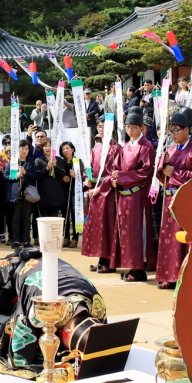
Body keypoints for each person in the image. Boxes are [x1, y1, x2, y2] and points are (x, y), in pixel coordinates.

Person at [0, 248, 106, 381]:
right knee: (0, 321)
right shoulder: (41, 309)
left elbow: (98, 336)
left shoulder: (98, 307)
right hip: (8, 273)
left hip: (55, 271)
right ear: (66, 331)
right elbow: (21, 354)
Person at [154, 111, 192, 288]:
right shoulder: (170, 150)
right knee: (168, 238)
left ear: (187, 130)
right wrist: (162, 164)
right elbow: (161, 174)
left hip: (185, 199)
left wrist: (174, 173)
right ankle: (168, 275)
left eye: (176, 130)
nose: (173, 134)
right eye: (171, 131)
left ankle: (183, 276)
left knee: (183, 239)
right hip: (169, 197)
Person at [110, 108, 155, 282]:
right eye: (128, 126)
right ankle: (131, 266)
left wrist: (121, 177)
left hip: (138, 194)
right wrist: (115, 179)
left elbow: (145, 172)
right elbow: (117, 167)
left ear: (141, 128)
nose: (130, 130)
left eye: (134, 127)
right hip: (125, 195)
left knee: (137, 231)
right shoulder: (126, 146)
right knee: (126, 232)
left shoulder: (146, 146)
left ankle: (138, 268)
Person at [84, 117, 121, 273]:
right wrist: (87, 179)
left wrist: (99, 189)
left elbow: (114, 174)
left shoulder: (116, 149)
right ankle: (101, 259)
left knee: (108, 227)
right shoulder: (96, 149)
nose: (100, 129)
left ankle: (109, 261)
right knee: (98, 227)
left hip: (108, 193)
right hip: (96, 193)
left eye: (104, 126)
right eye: (99, 126)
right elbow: (90, 168)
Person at [5, 139, 37, 250]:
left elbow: (35, 177)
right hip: (15, 194)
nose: (24, 151)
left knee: (26, 218)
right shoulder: (13, 162)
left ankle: (26, 241)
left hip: (27, 194)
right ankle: (16, 240)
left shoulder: (30, 162)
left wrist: (25, 173)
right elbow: (5, 176)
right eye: (22, 148)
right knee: (16, 218)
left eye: (26, 149)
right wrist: (16, 176)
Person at [60, 141, 85, 248]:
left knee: (75, 214)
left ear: (73, 149)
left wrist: (76, 175)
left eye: (67, 148)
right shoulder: (61, 162)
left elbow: (84, 176)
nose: (65, 151)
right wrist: (62, 177)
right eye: (63, 149)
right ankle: (65, 237)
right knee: (64, 213)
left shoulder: (78, 161)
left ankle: (75, 237)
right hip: (63, 191)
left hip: (76, 192)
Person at [35, 141, 67, 223]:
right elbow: (37, 175)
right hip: (43, 196)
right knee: (43, 220)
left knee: (54, 219)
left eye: (50, 146)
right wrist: (47, 168)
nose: (48, 148)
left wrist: (55, 166)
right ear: (42, 148)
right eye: (45, 146)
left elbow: (63, 173)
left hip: (56, 195)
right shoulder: (38, 160)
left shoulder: (59, 160)